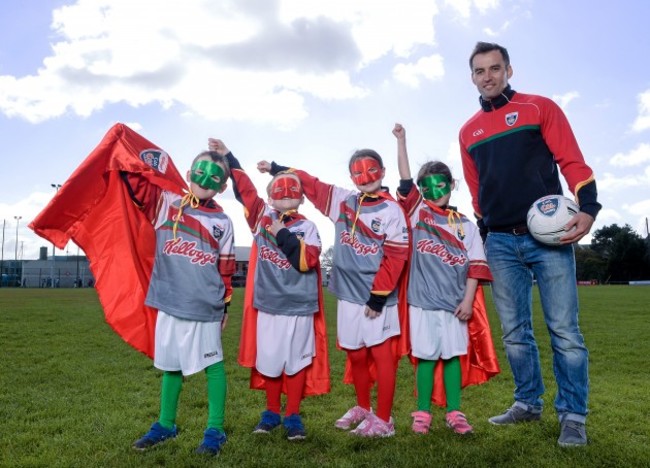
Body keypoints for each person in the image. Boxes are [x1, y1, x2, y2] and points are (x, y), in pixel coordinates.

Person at [459, 41, 602, 447]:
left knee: (565, 332)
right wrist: (485, 232)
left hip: (549, 239)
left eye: (495, 68)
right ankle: (527, 403)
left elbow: (572, 160)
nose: (488, 76)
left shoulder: (540, 108)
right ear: (472, 76)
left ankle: (573, 416)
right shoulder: (468, 131)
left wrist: (588, 208)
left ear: (509, 70)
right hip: (501, 241)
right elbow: (476, 190)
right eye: (479, 71)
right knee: (515, 333)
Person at [258, 150, 409, 438]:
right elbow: (310, 183)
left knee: (381, 355)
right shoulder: (343, 200)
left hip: (376, 298)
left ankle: (385, 420)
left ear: (383, 172)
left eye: (371, 171)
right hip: (346, 294)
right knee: (355, 355)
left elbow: (397, 256)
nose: (365, 178)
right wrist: (276, 168)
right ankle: (364, 408)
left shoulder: (392, 210)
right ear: (351, 177)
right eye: (358, 173)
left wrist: (378, 296)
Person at [207, 138, 329, 441]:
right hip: (269, 305)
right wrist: (229, 157)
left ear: (301, 198)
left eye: (292, 190)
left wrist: (282, 232)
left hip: (299, 306)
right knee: (272, 362)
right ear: (270, 198)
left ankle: (293, 415)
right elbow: (245, 192)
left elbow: (306, 260)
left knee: (297, 362)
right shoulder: (262, 217)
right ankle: (272, 412)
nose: (285, 194)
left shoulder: (309, 228)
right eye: (278, 190)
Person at [393, 123, 497, 435]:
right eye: (428, 188)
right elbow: (405, 181)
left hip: (455, 305)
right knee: (425, 357)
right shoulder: (416, 214)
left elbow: (476, 266)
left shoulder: (465, 224)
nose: (435, 193)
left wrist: (468, 301)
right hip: (422, 303)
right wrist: (402, 141)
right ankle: (422, 412)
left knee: (453, 357)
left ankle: (455, 412)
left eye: (441, 185)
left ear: (452, 184)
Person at [130, 150, 235, 456]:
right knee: (170, 366)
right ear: (188, 174)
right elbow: (136, 185)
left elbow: (226, 268)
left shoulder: (223, 221)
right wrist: (136, 157)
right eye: (200, 172)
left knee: (213, 366)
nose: (205, 180)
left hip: (205, 306)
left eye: (215, 177)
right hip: (169, 301)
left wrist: (225, 305)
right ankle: (165, 425)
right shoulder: (166, 205)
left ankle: (215, 429)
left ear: (223, 187)